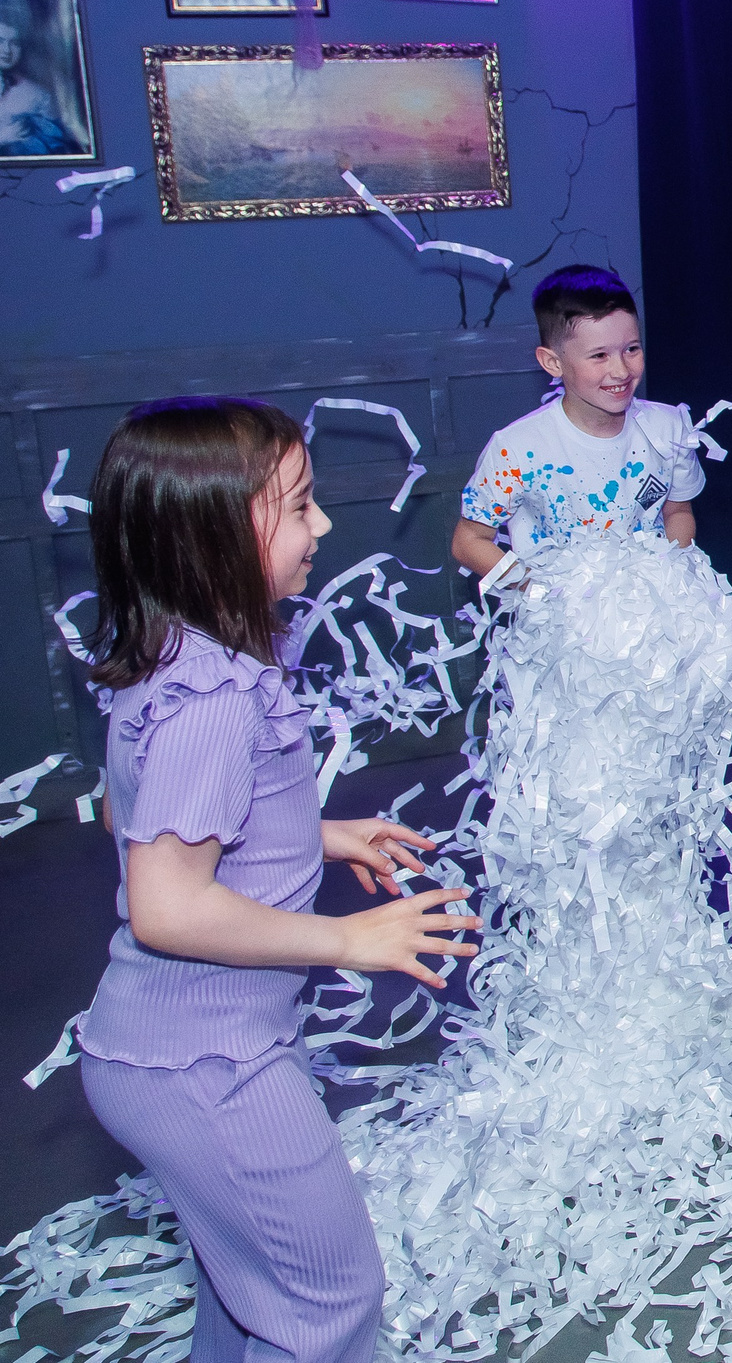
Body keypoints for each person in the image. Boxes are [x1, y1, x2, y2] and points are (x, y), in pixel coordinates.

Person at [76, 397, 482, 1363]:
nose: (324, 526)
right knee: (330, 1300)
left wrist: (320, 834)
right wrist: (352, 938)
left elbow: (131, 814)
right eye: (299, 507)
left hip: (172, 1051)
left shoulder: (179, 659)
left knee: (246, 1296)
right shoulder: (209, 698)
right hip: (206, 1064)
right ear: (216, 534)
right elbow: (168, 901)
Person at [454, 265, 705, 577]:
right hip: (559, 620)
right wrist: (536, 592)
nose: (621, 371)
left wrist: (676, 580)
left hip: (655, 616)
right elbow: (468, 541)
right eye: (599, 355)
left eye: (631, 349)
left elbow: (677, 511)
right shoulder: (515, 449)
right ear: (553, 362)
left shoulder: (670, 428)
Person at [0, 0, 73, 157]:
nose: (6, 50)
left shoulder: (36, 95)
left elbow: (57, 148)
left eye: (14, 43)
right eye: (0, 41)